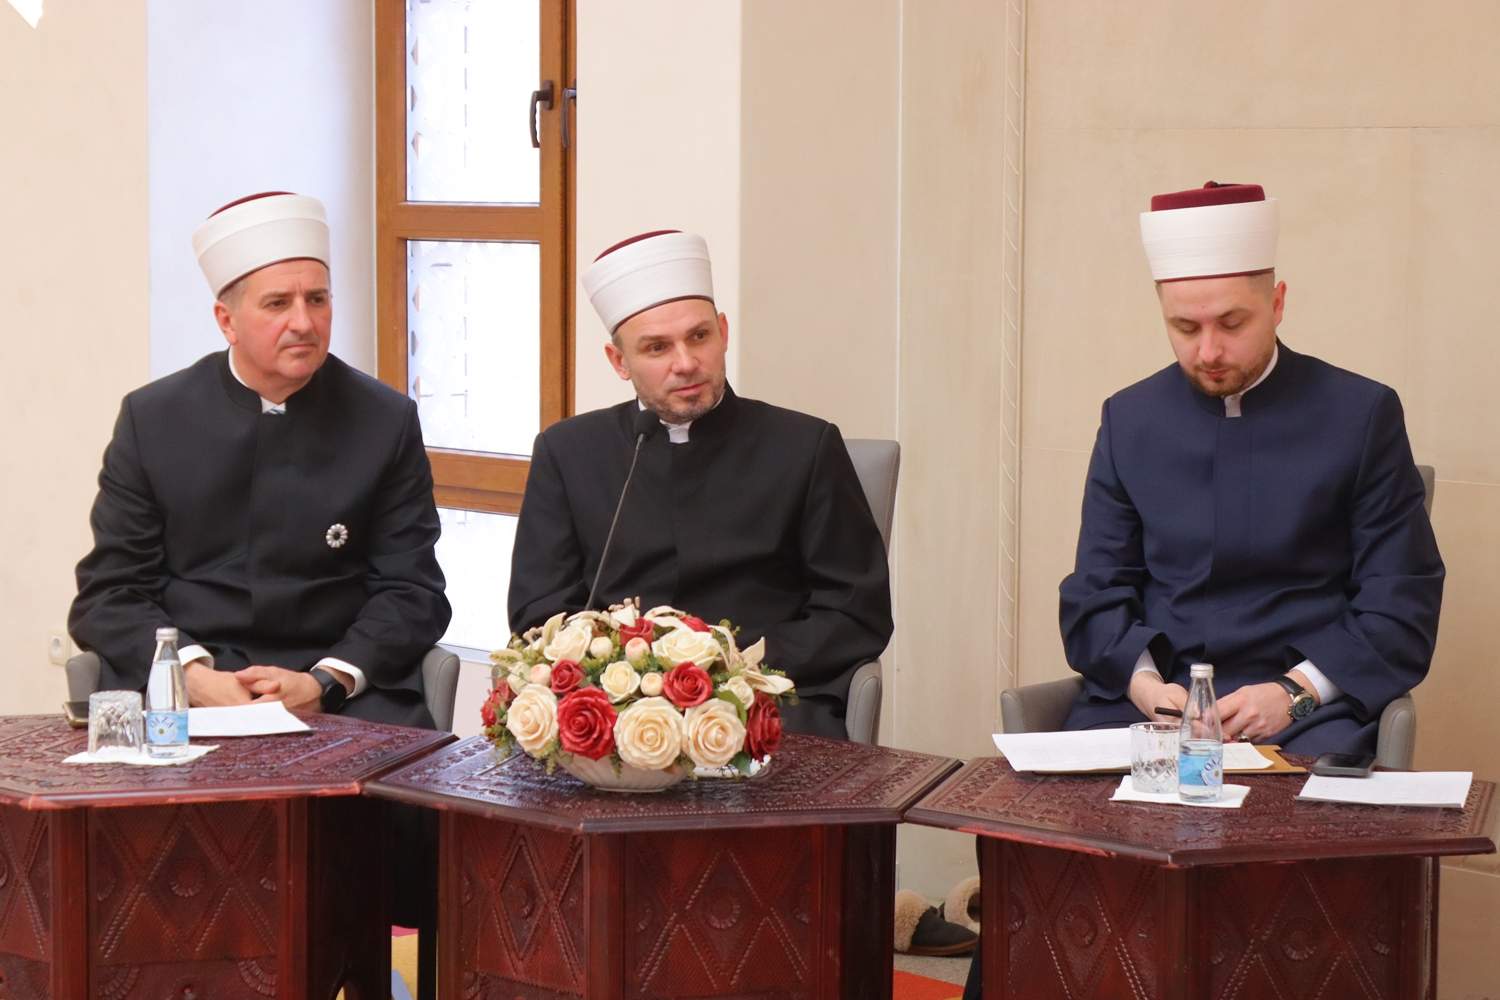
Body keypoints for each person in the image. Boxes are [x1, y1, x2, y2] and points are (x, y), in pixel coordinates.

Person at [1061, 180, 1444, 753]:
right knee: (1057, 806)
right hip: (1152, 708)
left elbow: (1400, 602)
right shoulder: (1129, 419)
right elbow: (1097, 590)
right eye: (1185, 328)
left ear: (1278, 303)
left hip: (1306, 716)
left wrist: (1295, 694)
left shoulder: (1362, 415)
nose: (1208, 352)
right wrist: (1146, 689)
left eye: (1232, 323)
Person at [70, 191, 451, 728]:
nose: (304, 322)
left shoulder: (385, 419)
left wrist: (326, 681)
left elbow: (413, 591)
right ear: (226, 321)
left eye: (317, 299)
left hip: (336, 689)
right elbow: (110, 592)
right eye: (278, 304)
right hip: (191, 686)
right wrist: (192, 677)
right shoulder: (153, 419)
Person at [507, 229, 893, 739]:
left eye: (698, 336)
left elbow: (855, 611)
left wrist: (734, 669)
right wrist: (627, 674)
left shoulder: (806, 445)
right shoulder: (567, 452)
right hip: (613, 712)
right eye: (656, 347)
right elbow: (539, 612)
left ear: (723, 332)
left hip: (767, 700)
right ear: (619, 362)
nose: (686, 363)